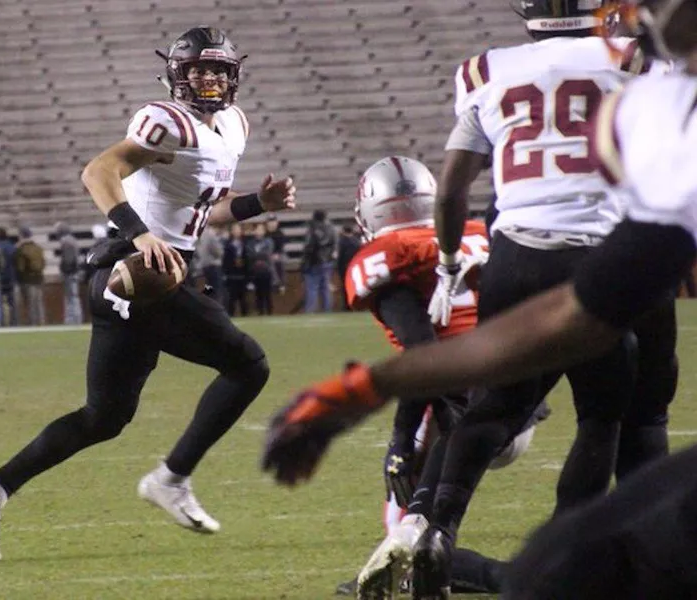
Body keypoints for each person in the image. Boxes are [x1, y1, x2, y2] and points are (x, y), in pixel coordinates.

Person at [262, 2, 697, 597]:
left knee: (506, 413)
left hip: (519, 252)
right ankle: (572, 559)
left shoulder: (498, 73)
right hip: (603, 251)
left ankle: (438, 527)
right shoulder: (654, 95)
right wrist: (372, 386)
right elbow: (576, 313)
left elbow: (457, 195)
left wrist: (436, 288)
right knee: (619, 430)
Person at [0, 26, 296, 562]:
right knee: (248, 365)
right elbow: (99, 172)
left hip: (153, 273)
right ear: (176, 74)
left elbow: (206, 210)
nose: (208, 79)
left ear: (234, 76)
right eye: (198, 69)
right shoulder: (165, 119)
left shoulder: (233, 124)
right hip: (135, 268)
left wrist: (259, 205)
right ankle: (172, 477)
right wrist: (139, 234)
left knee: (104, 418)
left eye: (219, 70)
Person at [333, 156, 546, 598]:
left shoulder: (387, 257)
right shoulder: (471, 234)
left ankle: (432, 571)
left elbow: (424, 355)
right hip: (518, 396)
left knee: (407, 497)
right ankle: (414, 568)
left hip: (464, 403)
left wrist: (398, 438)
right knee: (426, 517)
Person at [301, 209, 337, 312]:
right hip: (327, 261)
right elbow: (334, 244)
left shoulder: (312, 229)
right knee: (325, 287)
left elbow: (308, 246)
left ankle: (310, 310)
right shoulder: (331, 228)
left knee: (312, 287)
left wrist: (304, 262)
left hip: (313, 261)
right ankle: (327, 309)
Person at [55, 222, 84, 325]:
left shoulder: (66, 242)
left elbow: (68, 259)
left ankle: (73, 319)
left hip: (70, 273)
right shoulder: (72, 241)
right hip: (74, 272)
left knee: (71, 297)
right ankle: (76, 318)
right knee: (73, 297)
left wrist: (64, 270)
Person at [223, 222, 249, 316]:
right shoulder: (228, 244)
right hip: (232, 275)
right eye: (234, 229)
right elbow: (225, 260)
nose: (236, 231)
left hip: (242, 275)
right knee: (231, 298)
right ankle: (231, 314)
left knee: (243, 298)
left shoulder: (245, 244)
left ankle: (245, 315)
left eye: (238, 229)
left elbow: (248, 260)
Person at [195, 224, 225, 306]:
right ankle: (218, 308)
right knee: (217, 290)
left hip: (202, 267)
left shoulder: (197, 233)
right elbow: (218, 251)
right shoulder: (209, 233)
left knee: (208, 290)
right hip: (213, 266)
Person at [0, 227, 18, 327]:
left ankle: (1, 323)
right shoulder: (12, 247)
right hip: (11, 277)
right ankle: (14, 323)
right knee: (12, 304)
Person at [249, 222, 274, 315]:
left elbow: (267, 254)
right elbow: (249, 255)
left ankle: (269, 312)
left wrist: (258, 256)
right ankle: (260, 312)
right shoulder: (251, 243)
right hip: (255, 272)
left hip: (266, 271)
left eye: (261, 229)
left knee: (267, 293)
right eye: (257, 229)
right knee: (258, 294)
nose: (259, 232)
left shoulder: (268, 241)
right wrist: (259, 256)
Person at [335, 225, 361, 311]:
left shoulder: (342, 241)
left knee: (346, 287)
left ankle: (347, 306)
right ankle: (357, 305)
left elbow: (340, 256)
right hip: (355, 266)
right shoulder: (357, 241)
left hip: (345, 267)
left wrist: (338, 267)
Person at [265, 214, 287, 294]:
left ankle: (281, 284)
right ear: (267, 223)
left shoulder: (280, 233)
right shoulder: (265, 234)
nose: (272, 223)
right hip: (267, 255)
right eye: (270, 221)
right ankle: (274, 283)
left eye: (273, 221)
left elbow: (281, 247)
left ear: (277, 222)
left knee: (280, 262)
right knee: (270, 263)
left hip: (278, 254)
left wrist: (276, 254)